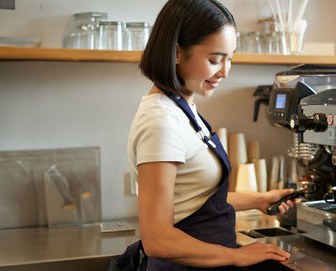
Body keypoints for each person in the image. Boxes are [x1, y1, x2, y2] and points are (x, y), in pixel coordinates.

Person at [115, 0, 300, 270]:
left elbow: (194, 199)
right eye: (215, 60)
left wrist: (259, 199)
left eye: (230, 58)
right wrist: (238, 255)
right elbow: (158, 239)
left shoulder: (182, 107)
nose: (225, 72)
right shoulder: (161, 121)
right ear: (177, 53)